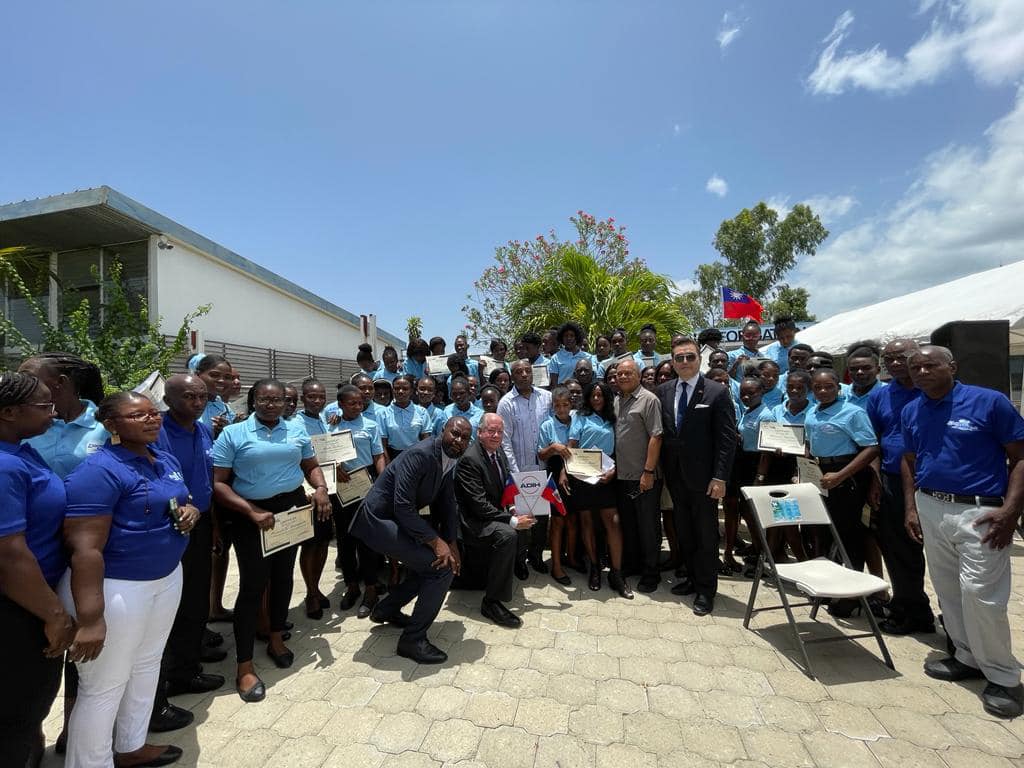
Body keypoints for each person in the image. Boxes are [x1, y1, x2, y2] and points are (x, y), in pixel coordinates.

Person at [61, 391, 201, 768]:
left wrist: (190, 511)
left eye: (153, 413)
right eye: (137, 416)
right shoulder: (98, 470)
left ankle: (131, 746)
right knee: (103, 687)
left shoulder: (161, 457)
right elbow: (85, 549)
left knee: (146, 665)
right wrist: (90, 620)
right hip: (118, 588)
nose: (152, 420)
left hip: (165, 578)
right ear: (111, 424)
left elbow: (180, 499)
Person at [901, 345, 1024, 718]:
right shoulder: (912, 409)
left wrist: (1011, 510)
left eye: (930, 365)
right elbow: (909, 460)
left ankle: (1004, 677)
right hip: (930, 504)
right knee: (947, 588)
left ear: (952, 366)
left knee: (981, 594)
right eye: (915, 367)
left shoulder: (989, 402)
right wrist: (910, 507)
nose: (922, 371)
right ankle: (967, 656)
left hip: (980, 510)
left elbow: (1020, 457)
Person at [211, 379, 332, 702]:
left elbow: (311, 465)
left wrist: (320, 488)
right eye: (264, 399)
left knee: (282, 578)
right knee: (253, 585)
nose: (271, 404)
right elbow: (219, 484)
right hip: (252, 516)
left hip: (289, 511)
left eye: (277, 399)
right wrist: (251, 512)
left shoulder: (295, 430)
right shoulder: (233, 434)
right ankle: (245, 664)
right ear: (253, 401)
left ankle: (277, 637)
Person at [17, 352, 107, 755]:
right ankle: (28, 729)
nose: (19, 381)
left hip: (87, 550)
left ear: (61, 383)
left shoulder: (103, 426)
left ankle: (73, 725)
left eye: (28, 376)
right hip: (30, 548)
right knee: (33, 641)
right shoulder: (26, 425)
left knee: (81, 638)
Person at [0, 372, 76, 767]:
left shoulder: (21, 450)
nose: (55, 414)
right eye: (44, 407)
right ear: (10, 412)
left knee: (27, 711)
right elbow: (9, 556)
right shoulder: (4, 466)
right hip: (20, 607)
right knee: (16, 712)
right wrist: (55, 614)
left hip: (34, 598)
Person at [348, 418, 470, 663]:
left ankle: (385, 610)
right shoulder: (422, 455)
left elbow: (446, 502)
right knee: (441, 569)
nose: (459, 441)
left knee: (428, 565)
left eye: (465, 438)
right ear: (442, 430)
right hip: (379, 521)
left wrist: (451, 542)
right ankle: (412, 640)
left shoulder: (449, 457)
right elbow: (402, 505)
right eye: (455, 434)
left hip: (398, 520)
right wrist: (437, 543)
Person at [151, 375, 223, 734]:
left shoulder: (203, 429)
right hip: (172, 525)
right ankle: (166, 681)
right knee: (170, 606)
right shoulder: (158, 432)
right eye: (189, 396)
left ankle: (186, 668)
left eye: (203, 396)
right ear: (168, 398)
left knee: (195, 599)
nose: (197, 401)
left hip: (203, 522)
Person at [657, 337, 737, 616]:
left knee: (705, 536)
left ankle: (706, 590)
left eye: (690, 357)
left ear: (699, 359)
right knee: (685, 532)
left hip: (705, 480)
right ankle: (691, 579)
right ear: (672, 361)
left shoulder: (717, 392)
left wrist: (720, 477)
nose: (685, 362)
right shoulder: (664, 391)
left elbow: (727, 441)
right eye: (679, 358)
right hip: (676, 478)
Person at [865, 339, 934, 636]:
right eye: (888, 358)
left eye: (901, 357)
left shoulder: (934, 390)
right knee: (898, 549)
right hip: (893, 479)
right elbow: (874, 443)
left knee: (946, 558)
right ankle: (910, 609)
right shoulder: (880, 396)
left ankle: (960, 623)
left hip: (935, 483)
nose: (894, 364)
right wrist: (875, 480)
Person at [804, 368, 880, 616]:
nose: (823, 391)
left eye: (829, 387)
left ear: (839, 387)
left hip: (845, 476)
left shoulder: (852, 413)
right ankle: (830, 587)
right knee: (826, 535)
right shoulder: (813, 412)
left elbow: (870, 448)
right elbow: (809, 443)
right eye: (818, 387)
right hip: (821, 476)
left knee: (849, 537)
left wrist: (841, 475)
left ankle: (851, 596)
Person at [455, 413, 534, 627]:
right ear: (479, 433)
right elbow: (479, 506)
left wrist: (513, 508)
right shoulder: (470, 460)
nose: (496, 435)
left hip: (491, 512)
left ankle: (510, 569)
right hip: (473, 521)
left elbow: (504, 488)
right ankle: (491, 602)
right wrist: (512, 520)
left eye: (500, 431)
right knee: (508, 533)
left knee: (527, 518)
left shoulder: (497, 452)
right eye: (491, 431)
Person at [329, 385, 388, 617]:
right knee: (345, 540)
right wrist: (334, 467)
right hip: (341, 490)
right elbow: (324, 455)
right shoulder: (332, 425)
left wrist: (382, 482)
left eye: (360, 402)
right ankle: (352, 586)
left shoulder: (371, 426)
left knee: (368, 540)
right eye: (351, 403)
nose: (357, 406)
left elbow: (378, 456)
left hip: (366, 487)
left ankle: (371, 590)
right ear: (340, 405)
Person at [569, 381, 631, 597]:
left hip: (608, 474)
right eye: (593, 395)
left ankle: (616, 573)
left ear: (606, 398)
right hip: (583, 474)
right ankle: (594, 568)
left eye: (600, 395)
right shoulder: (579, 416)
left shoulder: (613, 417)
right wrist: (568, 471)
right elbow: (572, 446)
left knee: (613, 523)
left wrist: (614, 471)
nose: (597, 399)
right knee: (586, 522)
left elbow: (621, 448)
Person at [497, 360, 553, 575]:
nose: (523, 375)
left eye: (527, 371)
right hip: (519, 470)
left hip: (543, 468)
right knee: (522, 519)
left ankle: (536, 556)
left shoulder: (546, 398)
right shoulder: (507, 403)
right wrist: (514, 473)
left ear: (532, 373)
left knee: (541, 519)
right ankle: (520, 560)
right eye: (518, 372)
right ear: (512, 376)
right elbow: (505, 440)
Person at [612, 359, 664, 592]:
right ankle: (633, 565)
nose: (622, 377)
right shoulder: (616, 400)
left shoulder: (649, 400)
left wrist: (648, 472)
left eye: (628, 373)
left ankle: (651, 573)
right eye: (619, 374)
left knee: (648, 527)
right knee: (630, 525)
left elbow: (656, 436)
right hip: (622, 476)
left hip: (644, 476)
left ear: (639, 375)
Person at [294, 377, 334, 621]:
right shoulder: (295, 423)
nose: (317, 400)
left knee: (322, 542)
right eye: (312, 396)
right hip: (307, 492)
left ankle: (316, 587)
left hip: (326, 489)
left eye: (321, 397)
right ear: (302, 398)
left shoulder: (321, 421)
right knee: (310, 544)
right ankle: (309, 594)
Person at [537, 387, 578, 585]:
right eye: (557, 405)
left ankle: (570, 557)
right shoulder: (547, 425)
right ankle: (556, 566)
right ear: (552, 406)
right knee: (558, 521)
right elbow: (541, 455)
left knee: (572, 520)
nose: (561, 409)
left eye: (565, 405)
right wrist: (553, 448)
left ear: (571, 404)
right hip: (554, 476)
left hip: (576, 475)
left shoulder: (578, 421)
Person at [380, 375, 433, 460]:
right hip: (394, 455)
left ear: (411, 391)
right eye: (397, 388)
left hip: (416, 455)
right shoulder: (384, 413)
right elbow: (383, 444)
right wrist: (388, 464)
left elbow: (426, 439)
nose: (400, 391)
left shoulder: (421, 412)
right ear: (392, 391)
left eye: (405, 389)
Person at [194, 355, 235, 436]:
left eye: (227, 377)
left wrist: (225, 431)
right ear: (197, 375)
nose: (221, 380)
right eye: (214, 375)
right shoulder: (185, 405)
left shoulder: (226, 410)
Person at [548, 321, 592, 387]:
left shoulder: (588, 357)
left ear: (577, 337)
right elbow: (554, 383)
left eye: (572, 335)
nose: (569, 338)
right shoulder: (555, 358)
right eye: (566, 336)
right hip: (563, 394)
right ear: (561, 338)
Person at [442, 376, 484, 440]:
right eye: (454, 394)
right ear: (450, 395)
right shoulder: (447, 411)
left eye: (462, 393)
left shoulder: (480, 414)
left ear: (469, 393)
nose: (458, 397)